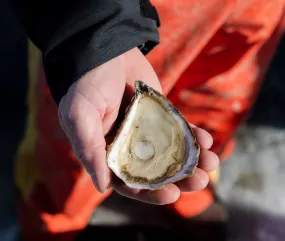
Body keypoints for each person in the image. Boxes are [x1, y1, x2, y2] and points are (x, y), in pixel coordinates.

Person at [12, 0, 285, 240]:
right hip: (114, 17)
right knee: (80, 142)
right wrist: (94, 32)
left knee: (217, 102)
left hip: (254, 12)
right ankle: (53, 220)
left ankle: (188, 195)